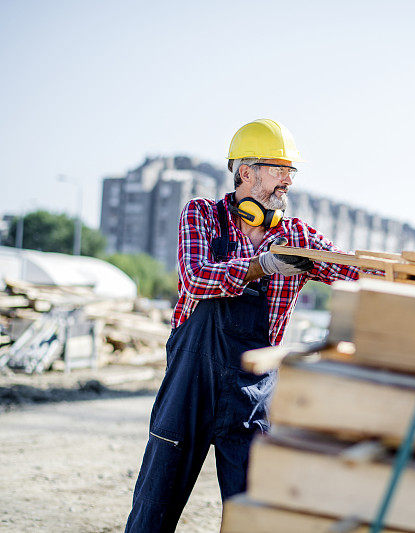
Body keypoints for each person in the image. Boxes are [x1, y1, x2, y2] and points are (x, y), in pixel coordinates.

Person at [125, 119, 362, 532]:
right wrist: (262, 265)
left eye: (291, 172)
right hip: (189, 386)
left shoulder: (296, 236)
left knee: (251, 515)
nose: (288, 181)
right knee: (153, 507)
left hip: (249, 394)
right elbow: (196, 277)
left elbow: (354, 275)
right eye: (279, 169)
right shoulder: (202, 214)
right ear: (246, 172)